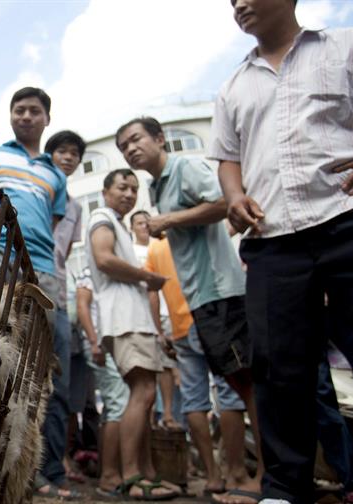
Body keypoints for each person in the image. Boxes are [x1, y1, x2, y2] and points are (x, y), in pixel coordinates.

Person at [210, 0, 353, 501]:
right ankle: (284, 488)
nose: (237, 4)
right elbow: (229, 159)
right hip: (273, 241)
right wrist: (234, 197)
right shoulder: (232, 87)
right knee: (279, 370)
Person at [116, 116, 263, 503]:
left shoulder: (185, 166)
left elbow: (225, 203)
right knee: (235, 386)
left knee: (248, 385)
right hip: (200, 299)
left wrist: (170, 219)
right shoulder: (157, 186)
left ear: (160, 138)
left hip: (222, 292)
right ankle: (238, 475)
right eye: (123, 147)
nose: (130, 149)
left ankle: (264, 477)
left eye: (135, 140)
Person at [0, 87, 74, 499]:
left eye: (34, 110)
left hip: (41, 267)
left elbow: (54, 222)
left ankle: (35, 470)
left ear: (46, 118)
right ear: (10, 115)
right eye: (19, 109)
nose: (26, 116)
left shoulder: (55, 174)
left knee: (40, 367)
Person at [85, 168, 177, 499]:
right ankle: (131, 476)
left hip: (132, 319)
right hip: (125, 319)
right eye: (123, 187)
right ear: (107, 190)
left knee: (144, 395)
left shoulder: (116, 222)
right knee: (142, 392)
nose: (129, 193)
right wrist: (147, 277)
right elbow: (103, 258)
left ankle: (140, 473)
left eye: (134, 189)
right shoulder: (102, 215)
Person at [145, 235, 249, 497]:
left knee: (194, 399)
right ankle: (236, 473)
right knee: (229, 392)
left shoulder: (155, 249)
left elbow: (152, 291)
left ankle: (213, 476)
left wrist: (159, 330)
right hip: (212, 316)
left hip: (180, 328)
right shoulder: (200, 234)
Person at [44, 130, 86, 487]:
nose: (68, 158)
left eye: (74, 153)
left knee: (58, 385)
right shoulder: (36, 188)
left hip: (57, 293)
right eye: (61, 151)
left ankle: (52, 471)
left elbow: (66, 253)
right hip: (24, 283)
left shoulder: (76, 206)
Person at [75, 268, 130, 497]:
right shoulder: (89, 270)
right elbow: (82, 306)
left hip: (111, 342)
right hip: (100, 344)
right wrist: (94, 341)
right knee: (117, 404)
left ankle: (110, 472)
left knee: (113, 405)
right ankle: (109, 476)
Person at [131, 210, 181, 432]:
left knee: (169, 365)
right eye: (139, 223)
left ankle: (169, 414)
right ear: (132, 227)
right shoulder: (130, 252)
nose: (143, 226)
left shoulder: (163, 247)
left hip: (168, 311)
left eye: (146, 222)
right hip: (140, 315)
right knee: (148, 367)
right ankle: (149, 418)